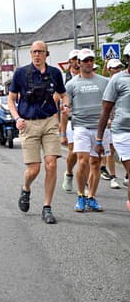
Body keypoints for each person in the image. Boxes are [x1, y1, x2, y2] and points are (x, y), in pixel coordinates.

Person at [8, 41, 69, 224]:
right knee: (34, 169)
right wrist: (17, 118)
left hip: (50, 121)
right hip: (28, 124)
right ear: (31, 54)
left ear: (46, 54)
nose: (37, 55)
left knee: (51, 164)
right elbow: (11, 99)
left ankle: (47, 207)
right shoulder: (20, 74)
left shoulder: (55, 73)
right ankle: (26, 188)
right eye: (34, 52)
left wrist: (65, 104)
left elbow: (63, 94)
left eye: (40, 52)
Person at [59, 49, 109, 212]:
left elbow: (111, 102)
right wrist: (63, 132)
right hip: (80, 126)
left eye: (90, 60)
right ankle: (80, 195)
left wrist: (111, 117)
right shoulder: (71, 84)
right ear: (78, 63)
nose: (88, 63)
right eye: (85, 60)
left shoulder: (104, 82)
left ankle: (91, 197)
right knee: (83, 161)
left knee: (96, 163)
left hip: (100, 127)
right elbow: (65, 106)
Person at [96, 45, 130, 212]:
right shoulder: (117, 80)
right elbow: (105, 110)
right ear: (127, 59)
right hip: (123, 131)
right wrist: (99, 138)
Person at [102, 58, 125, 189]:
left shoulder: (125, 80)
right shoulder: (107, 83)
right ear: (110, 69)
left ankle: (127, 175)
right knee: (110, 149)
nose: (117, 70)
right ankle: (113, 177)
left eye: (119, 67)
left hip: (124, 120)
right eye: (115, 68)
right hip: (112, 120)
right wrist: (109, 118)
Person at [60, 50, 80, 193]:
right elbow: (56, 100)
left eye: (79, 58)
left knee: (85, 154)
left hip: (86, 120)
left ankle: (84, 182)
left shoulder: (89, 77)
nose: (77, 61)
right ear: (70, 61)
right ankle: (69, 173)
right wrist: (61, 128)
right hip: (70, 119)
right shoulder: (64, 79)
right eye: (74, 58)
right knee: (73, 152)